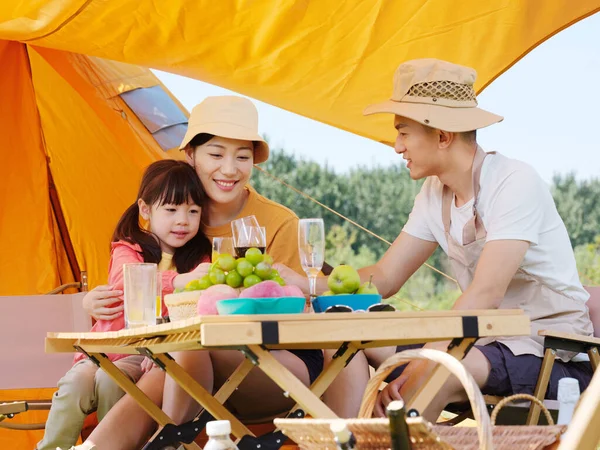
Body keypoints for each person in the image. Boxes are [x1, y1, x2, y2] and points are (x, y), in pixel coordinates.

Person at [277, 58, 594, 420]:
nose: (397, 146)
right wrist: (305, 284)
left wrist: (423, 362)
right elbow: (384, 279)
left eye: (403, 132)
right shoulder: (434, 193)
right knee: (349, 337)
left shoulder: (514, 182)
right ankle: (349, 442)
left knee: (438, 372)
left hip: (547, 352)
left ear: (443, 136)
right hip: (478, 341)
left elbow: (485, 294)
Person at [67, 96, 323, 450]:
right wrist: (94, 300)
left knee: (183, 349)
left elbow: (297, 310)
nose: (229, 169)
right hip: (189, 369)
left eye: (243, 157)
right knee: (174, 358)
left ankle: (163, 441)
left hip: (271, 366)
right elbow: (138, 283)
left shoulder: (277, 224)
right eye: (216, 155)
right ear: (191, 156)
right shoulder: (176, 227)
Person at [39, 159, 211, 450]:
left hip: (139, 355)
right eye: (171, 210)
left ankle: (110, 445)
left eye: (193, 211)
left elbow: (197, 308)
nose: (183, 220)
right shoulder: (127, 248)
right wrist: (180, 281)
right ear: (146, 210)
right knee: (74, 386)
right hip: (104, 350)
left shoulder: (199, 259)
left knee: (111, 382)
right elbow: (125, 285)